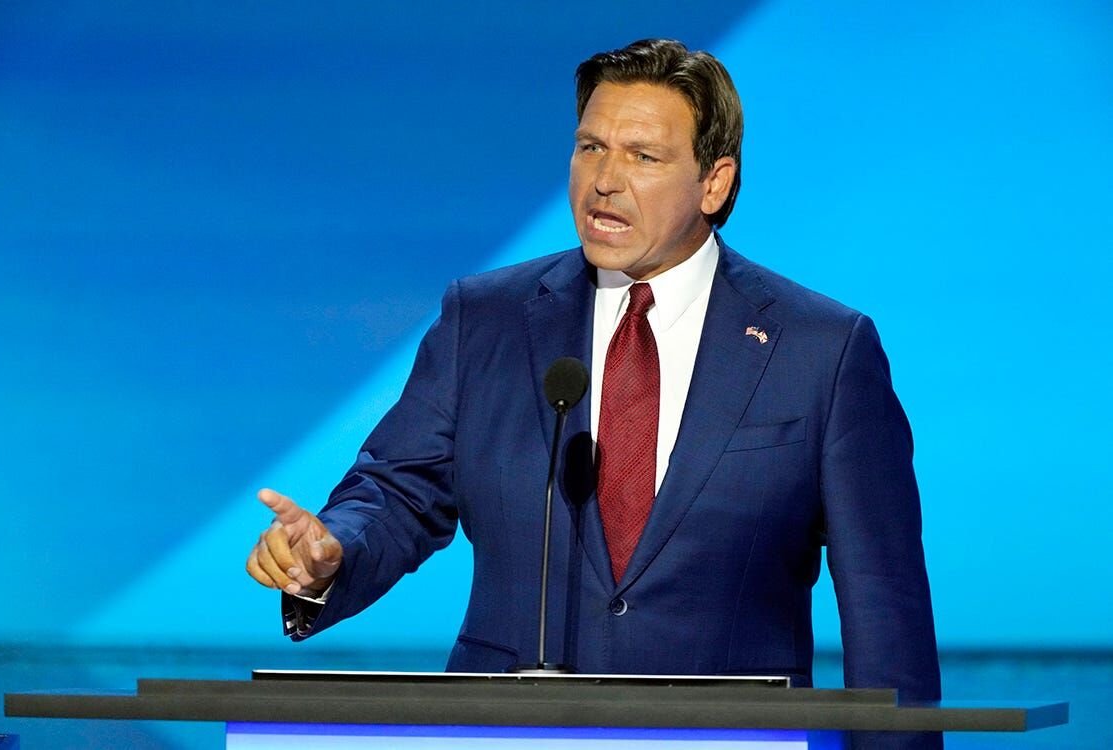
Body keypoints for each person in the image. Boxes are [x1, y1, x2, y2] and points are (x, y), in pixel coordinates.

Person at [246, 37, 941, 725]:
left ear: (714, 182)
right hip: (508, 733)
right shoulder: (486, 318)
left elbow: (884, 606)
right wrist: (331, 553)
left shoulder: (819, 347)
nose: (604, 180)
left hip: (731, 738)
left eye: (642, 156)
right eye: (590, 148)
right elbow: (399, 489)